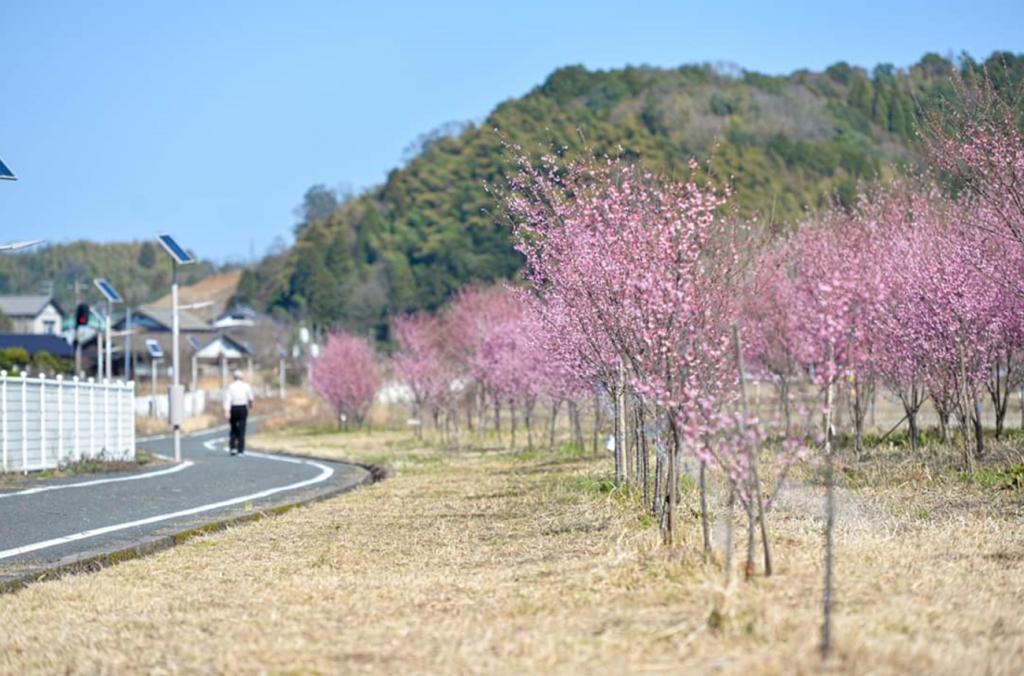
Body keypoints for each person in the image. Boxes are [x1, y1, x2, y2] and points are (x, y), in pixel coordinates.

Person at [224, 369, 254, 455]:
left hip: (233, 407)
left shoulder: (231, 386)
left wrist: (227, 411)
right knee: (242, 428)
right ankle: (241, 450)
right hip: (242, 408)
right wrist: (250, 406)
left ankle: (233, 447)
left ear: (234, 377)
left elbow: (228, 399)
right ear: (242, 377)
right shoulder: (246, 386)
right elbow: (250, 398)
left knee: (233, 428)